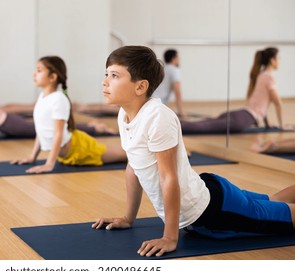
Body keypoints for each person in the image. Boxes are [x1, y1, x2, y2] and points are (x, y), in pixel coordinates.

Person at [92, 45, 295, 257]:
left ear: (141, 86)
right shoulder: (124, 115)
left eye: (114, 75)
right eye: (107, 74)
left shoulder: (158, 117)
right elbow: (133, 166)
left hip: (213, 212)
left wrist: (170, 237)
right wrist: (127, 218)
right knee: (274, 203)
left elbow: (168, 177)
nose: (105, 81)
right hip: (206, 192)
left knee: (287, 216)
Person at [0, 45, 117, 142]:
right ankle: (93, 126)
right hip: (3, 123)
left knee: (49, 130)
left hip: (5, 123)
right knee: (48, 127)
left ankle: (94, 128)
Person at [11, 56, 126, 173]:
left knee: (125, 155)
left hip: (80, 148)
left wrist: (49, 164)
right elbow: (41, 131)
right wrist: (32, 157)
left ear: (52, 77)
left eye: (39, 71)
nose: (34, 74)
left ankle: (141, 151)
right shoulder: (42, 97)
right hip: (68, 153)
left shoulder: (58, 99)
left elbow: (58, 134)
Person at [179, 47, 283, 134]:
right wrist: (281, 127)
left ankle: (175, 124)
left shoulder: (261, 75)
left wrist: (268, 125)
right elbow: (278, 104)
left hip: (240, 114)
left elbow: (261, 103)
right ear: (272, 60)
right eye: (279, 58)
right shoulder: (270, 77)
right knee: (203, 127)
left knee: (204, 124)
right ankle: (173, 127)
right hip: (242, 119)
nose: (280, 60)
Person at [154, 49, 185, 116]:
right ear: (174, 59)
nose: (179, 59)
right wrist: (181, 112)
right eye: (178, 57)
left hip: (150, 101)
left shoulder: (162, 68)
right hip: (158, 104)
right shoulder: (174, 70)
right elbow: (177, 92)